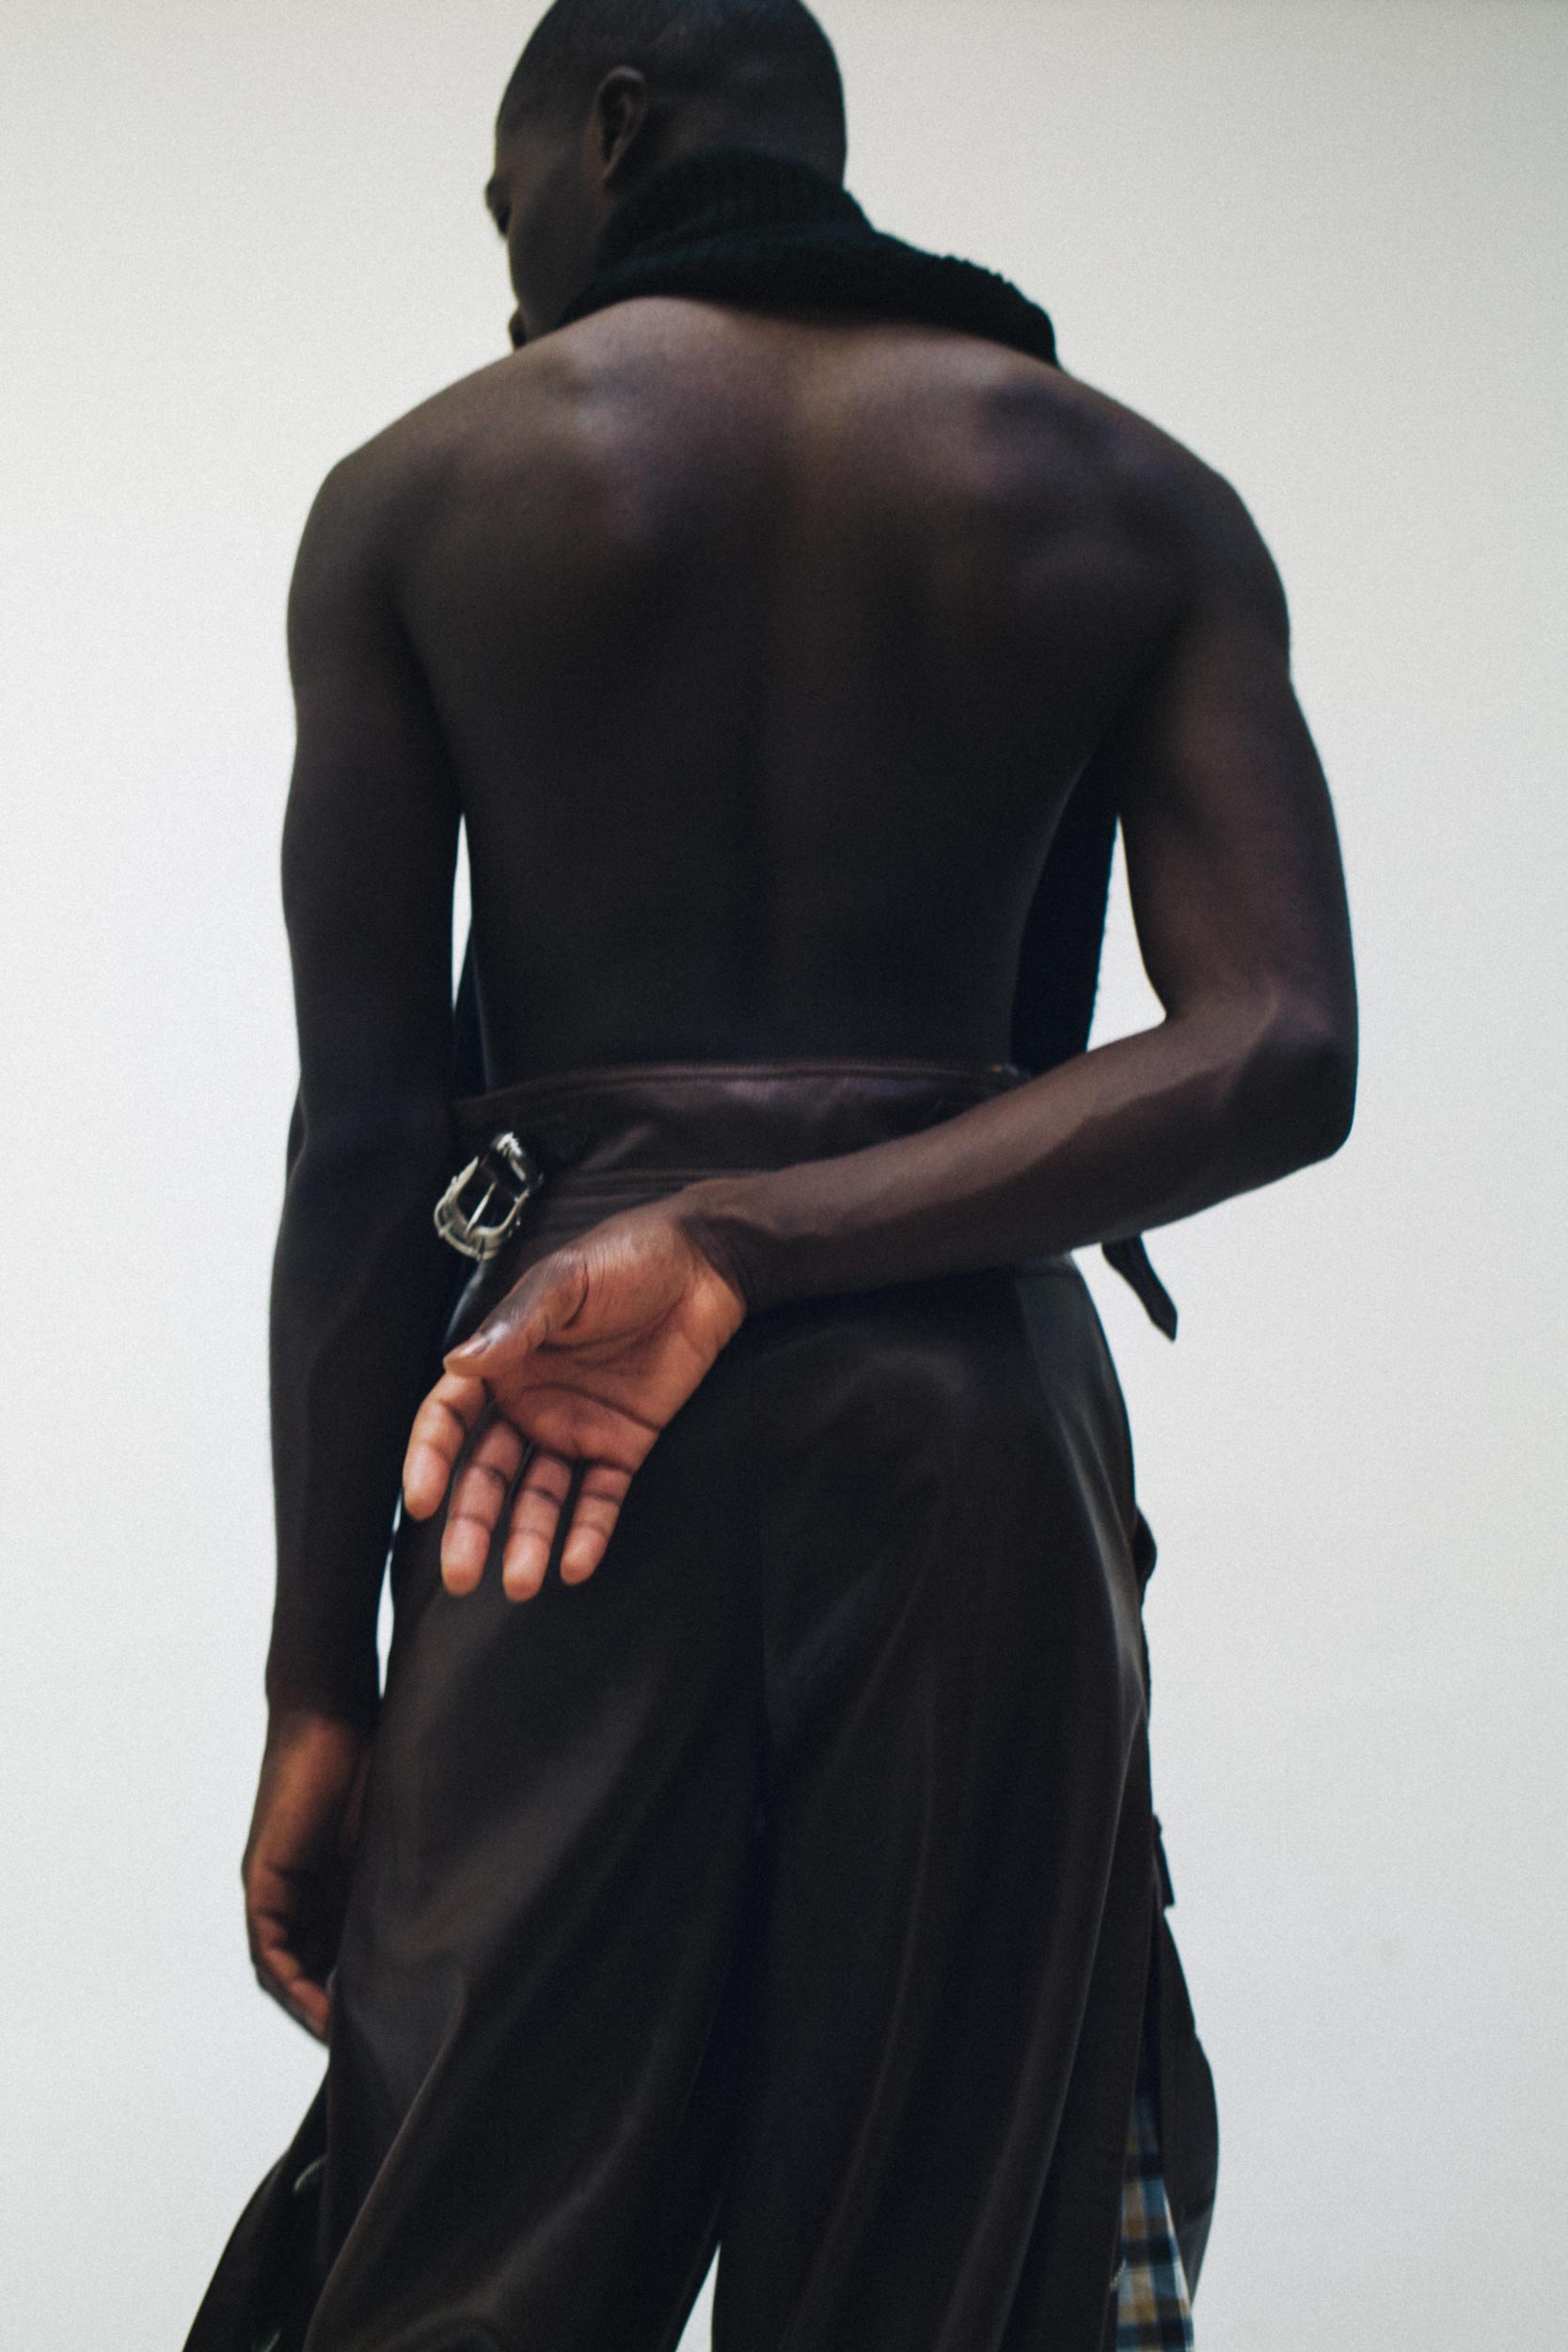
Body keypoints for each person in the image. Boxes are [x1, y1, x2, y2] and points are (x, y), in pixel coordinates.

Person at [185, 4, 1357, 2347]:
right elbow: (1278, 1042)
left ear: (613, 132)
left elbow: (372, 1141)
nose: (510, 260)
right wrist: (774, 1229)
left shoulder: (421, 493)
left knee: (461, 2268)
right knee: (946, 2275)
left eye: (510, 194)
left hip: (546, 1457)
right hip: (972, 1449)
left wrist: (324, 1684)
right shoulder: (1136, 497)